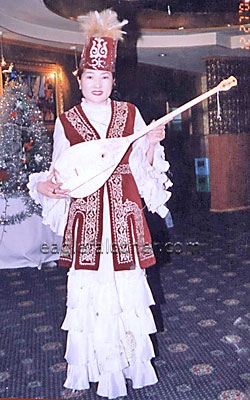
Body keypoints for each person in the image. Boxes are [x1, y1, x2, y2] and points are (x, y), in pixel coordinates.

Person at [28, 9, 172, 399]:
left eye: (104, 77)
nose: (97, 84)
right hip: (88, 217)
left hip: (124, 216)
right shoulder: (68, 120)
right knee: (92, 292)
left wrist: (151, 144)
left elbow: (143, 171)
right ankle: (94, 365)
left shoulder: (130, 115)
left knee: (125, 290)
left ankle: (128, 363)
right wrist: (48, 188)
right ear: (79, 79)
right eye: (89, 77)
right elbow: (60, 171)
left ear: (113, 79)